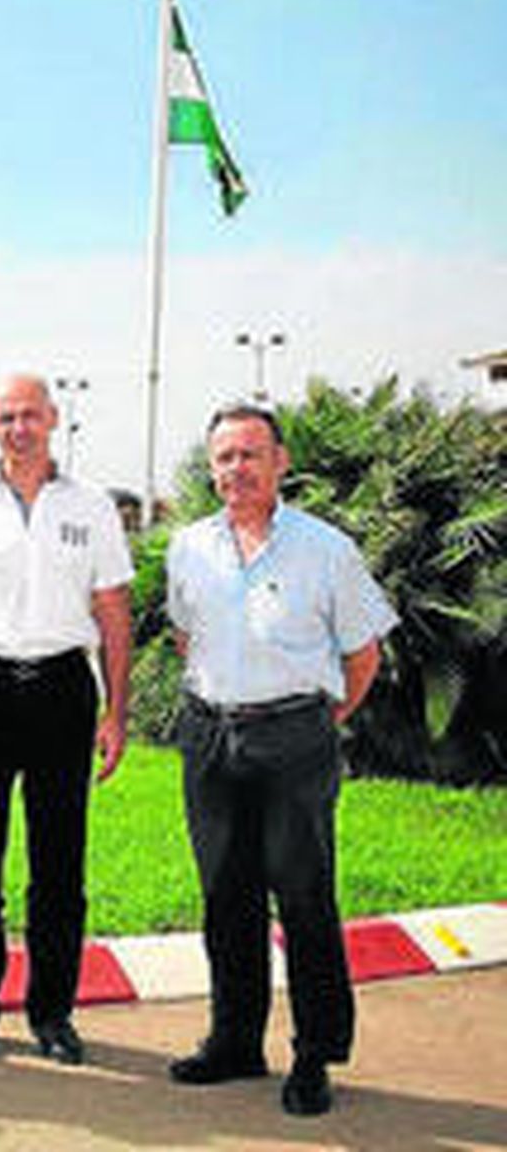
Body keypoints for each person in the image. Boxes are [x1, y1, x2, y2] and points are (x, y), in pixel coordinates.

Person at [165, 403, 396, 1117]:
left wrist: (319, 718)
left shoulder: (325, 548)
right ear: (212, 468)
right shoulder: (188, 546)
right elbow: (184, 637)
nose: (236, 469)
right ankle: (235, 1039)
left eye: (250, 454)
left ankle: (315, 1054)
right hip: (210, 737)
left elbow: (363, 653)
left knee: (303, 898)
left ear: (281, 462)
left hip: (295, 738)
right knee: (225, 896)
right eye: (224, 457)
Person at [0, 373, 133, 1067]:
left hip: (63, 686)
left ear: (54, 419)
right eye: (7, 416)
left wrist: (116, 711)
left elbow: (114, 614)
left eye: (30, 415)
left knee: (58, 864)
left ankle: (52, 1011)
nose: (19, 427)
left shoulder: (92, 505)